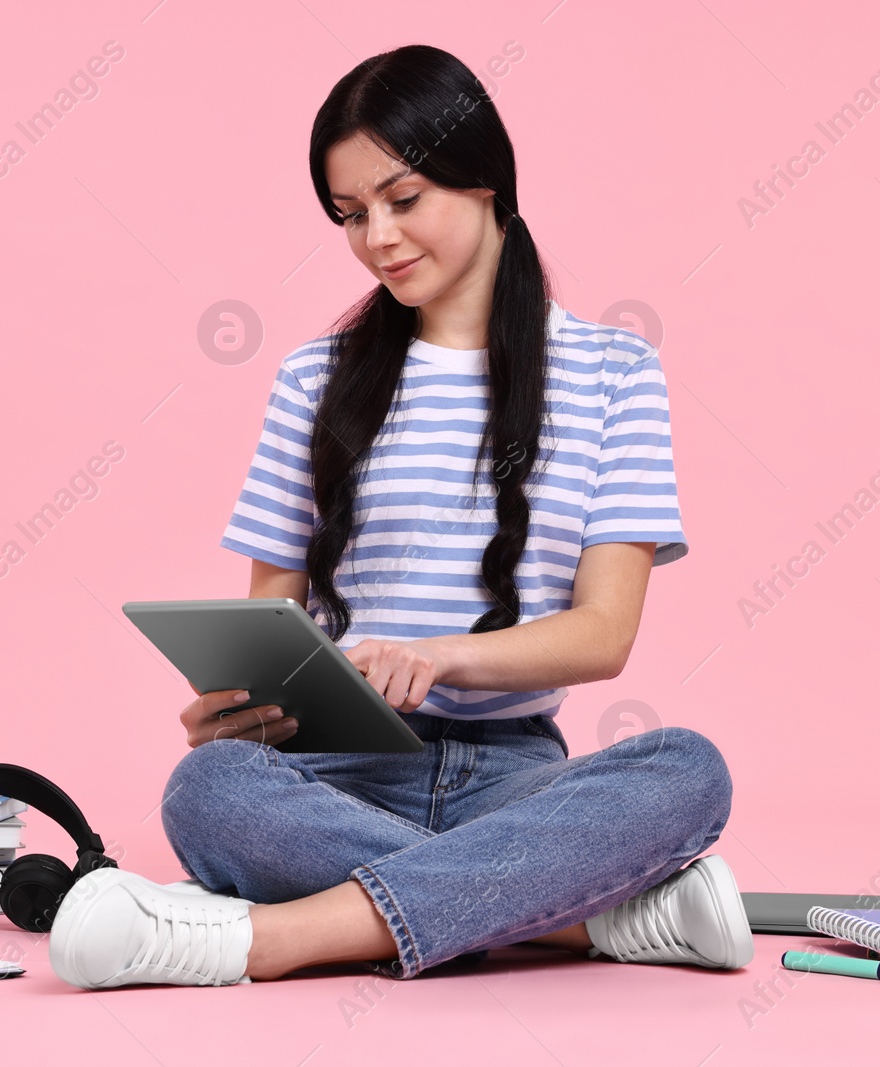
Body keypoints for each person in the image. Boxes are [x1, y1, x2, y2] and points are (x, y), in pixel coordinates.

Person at [47, 43, 753, 989]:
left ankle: (262, 940)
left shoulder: (613, 374)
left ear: (487, 182)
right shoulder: (314, 379)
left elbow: (603, 635)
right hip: (339, 770)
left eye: (403, 198)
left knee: (687, 770)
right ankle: (578, 916)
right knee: (208, 790)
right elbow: (275, 630)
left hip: (517, 777)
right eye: (350, 214)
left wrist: (441, 653)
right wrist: (240, 712)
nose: (377, 236)